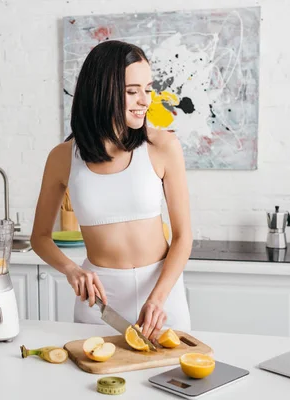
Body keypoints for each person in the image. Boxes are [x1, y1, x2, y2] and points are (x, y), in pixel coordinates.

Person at [30, 40, 192, 340]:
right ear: (102, 91)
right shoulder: (63, 157)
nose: (144, 100)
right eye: (132, 91)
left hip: (161, 299)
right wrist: (71, 270)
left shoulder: (163, 147)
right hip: (99, 303)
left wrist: (158, 298)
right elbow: (39, 237)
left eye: (148, 88)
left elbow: (183, 237)